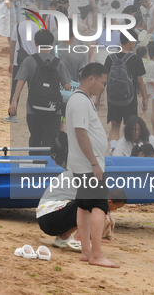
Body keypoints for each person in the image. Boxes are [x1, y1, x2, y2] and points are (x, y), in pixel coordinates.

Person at [66, 62, 119, 268]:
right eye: (102, 83)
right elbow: (81, 134)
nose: (103, 87)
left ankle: (86, 251)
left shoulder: (82, 100)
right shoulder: (79, 101)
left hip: (83, 164)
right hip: (88, 165)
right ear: (91, 79)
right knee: (99, 206)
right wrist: (95, 163)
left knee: (84, 205)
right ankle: (96, 254)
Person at [8, 30, 71, 155]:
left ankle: (34, 166)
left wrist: (14, 101)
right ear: (52, 44)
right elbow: (67, 86)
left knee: (35, 138)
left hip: (33, 108)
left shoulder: (29, 61)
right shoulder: (58, 63)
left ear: (36, 43)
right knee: (49, 140)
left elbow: (20, 81)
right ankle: (46, 168)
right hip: (54, 109)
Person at [99, 29, 147, 151]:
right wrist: (145, 98)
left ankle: (113, 149)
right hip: (129, 99)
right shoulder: (136, 59)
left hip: (113, 99)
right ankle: (129, 151)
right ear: (130, 42)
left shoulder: (110, 58)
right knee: (131, 126)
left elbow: (103, 81)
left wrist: (98, 99)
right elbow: (140, 81)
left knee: (115, 126)